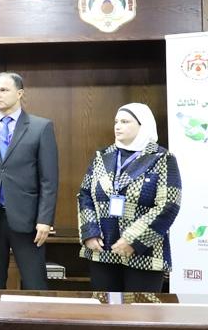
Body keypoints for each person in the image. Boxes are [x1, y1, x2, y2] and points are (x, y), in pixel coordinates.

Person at [0, 72, 59, 290]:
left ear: (20, 93)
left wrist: (45, 219)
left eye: (4, 90)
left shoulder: (40, 127)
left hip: (28, 219)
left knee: (35, 284)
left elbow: (49, 180)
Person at [77, 103, 182, 292]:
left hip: (145, 252)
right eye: (116, 122)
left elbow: (169, 204)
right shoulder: (102, 156)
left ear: (143, 125)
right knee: (105, 308)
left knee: (140, 308)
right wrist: (90, 232)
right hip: (103, 249)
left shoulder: (162, 158)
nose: (118, 126)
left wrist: (133, 240)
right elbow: (85, 195)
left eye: (125, 122)